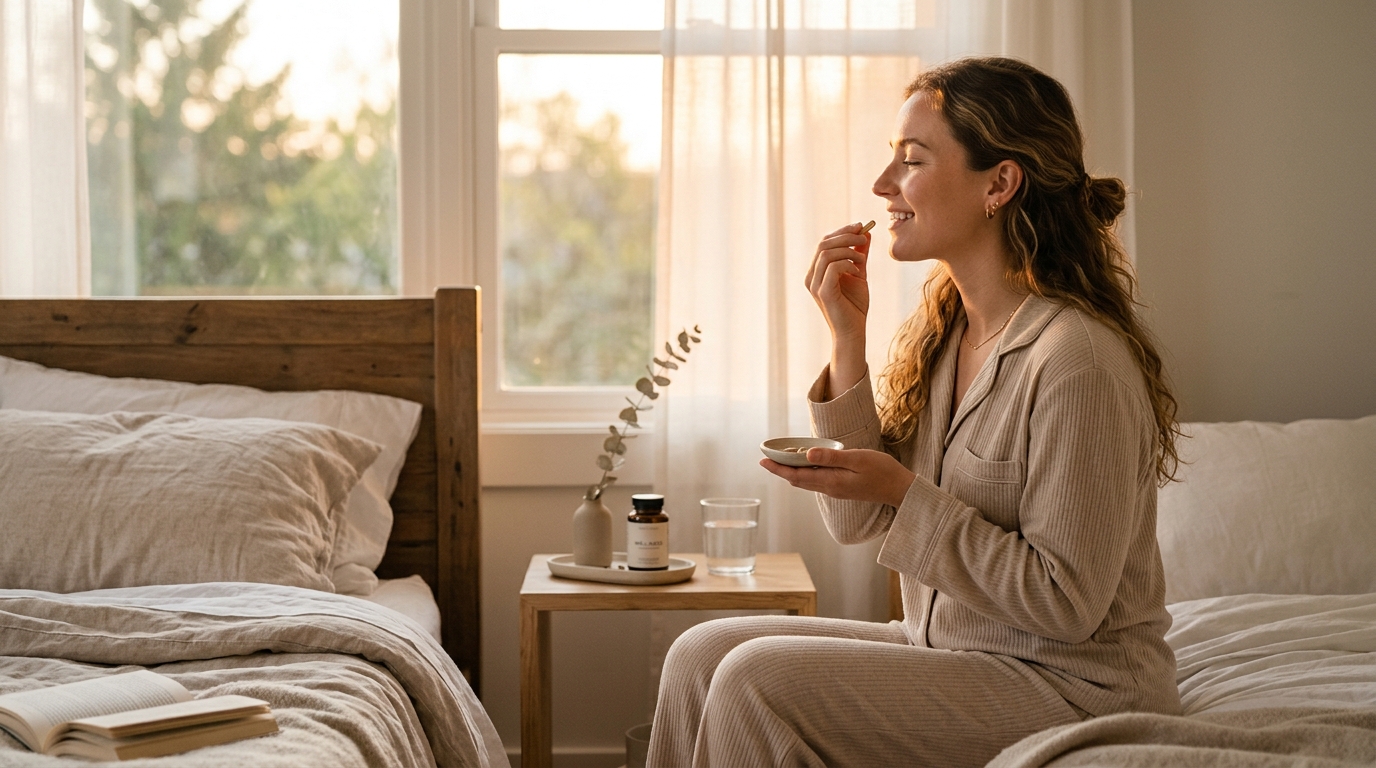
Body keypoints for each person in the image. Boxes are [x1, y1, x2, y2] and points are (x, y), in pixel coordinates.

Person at [645, 56, 1183, 768]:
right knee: (702, 652)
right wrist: (846, 337)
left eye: (911, 161)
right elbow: (856, 522)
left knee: (757, 680)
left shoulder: (1075, 360)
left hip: (1076, 684)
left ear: (1000, 182)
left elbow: (1066, 604)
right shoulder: (949, 336)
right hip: (960, 649)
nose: (881, 187)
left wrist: (903, 493)